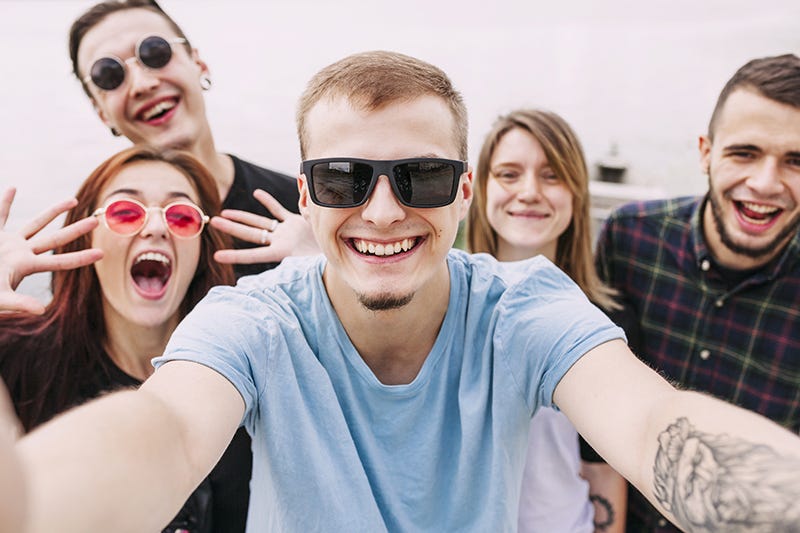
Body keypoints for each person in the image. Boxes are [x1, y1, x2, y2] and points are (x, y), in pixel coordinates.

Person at [13, 50, 800, 533]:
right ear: (307, 193)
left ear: (463, 194)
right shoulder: (255, 319)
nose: (383, 209)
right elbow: (168, 431)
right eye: (343, 178)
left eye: (420, 176)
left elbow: (652, 421)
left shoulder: (523, 307)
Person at [595, 53, 800, 532]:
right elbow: (601, 416)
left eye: (795, 160)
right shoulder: (631, 239)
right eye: (744, 153)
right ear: (706, 152)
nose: (765, 183)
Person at [0, 145, 236, 532]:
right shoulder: (15, 357)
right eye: (125, 213)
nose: (157, 227)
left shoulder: (250, 371)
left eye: (181, 216)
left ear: (201, 249)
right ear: (84, 238)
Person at [68, 0, 319, 279]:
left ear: (199, 64)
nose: (143, 84)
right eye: (108, 74)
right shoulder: (88, 241)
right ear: (101, 112)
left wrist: (329, 269)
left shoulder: (301, 208)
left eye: (155, 52)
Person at [467, 109, 627, 532]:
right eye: (508, 174)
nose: (530, 192)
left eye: (552, 176)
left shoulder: (603, 323)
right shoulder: (441, 304)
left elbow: (603, 468)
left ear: (576, 193)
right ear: (480, 188)